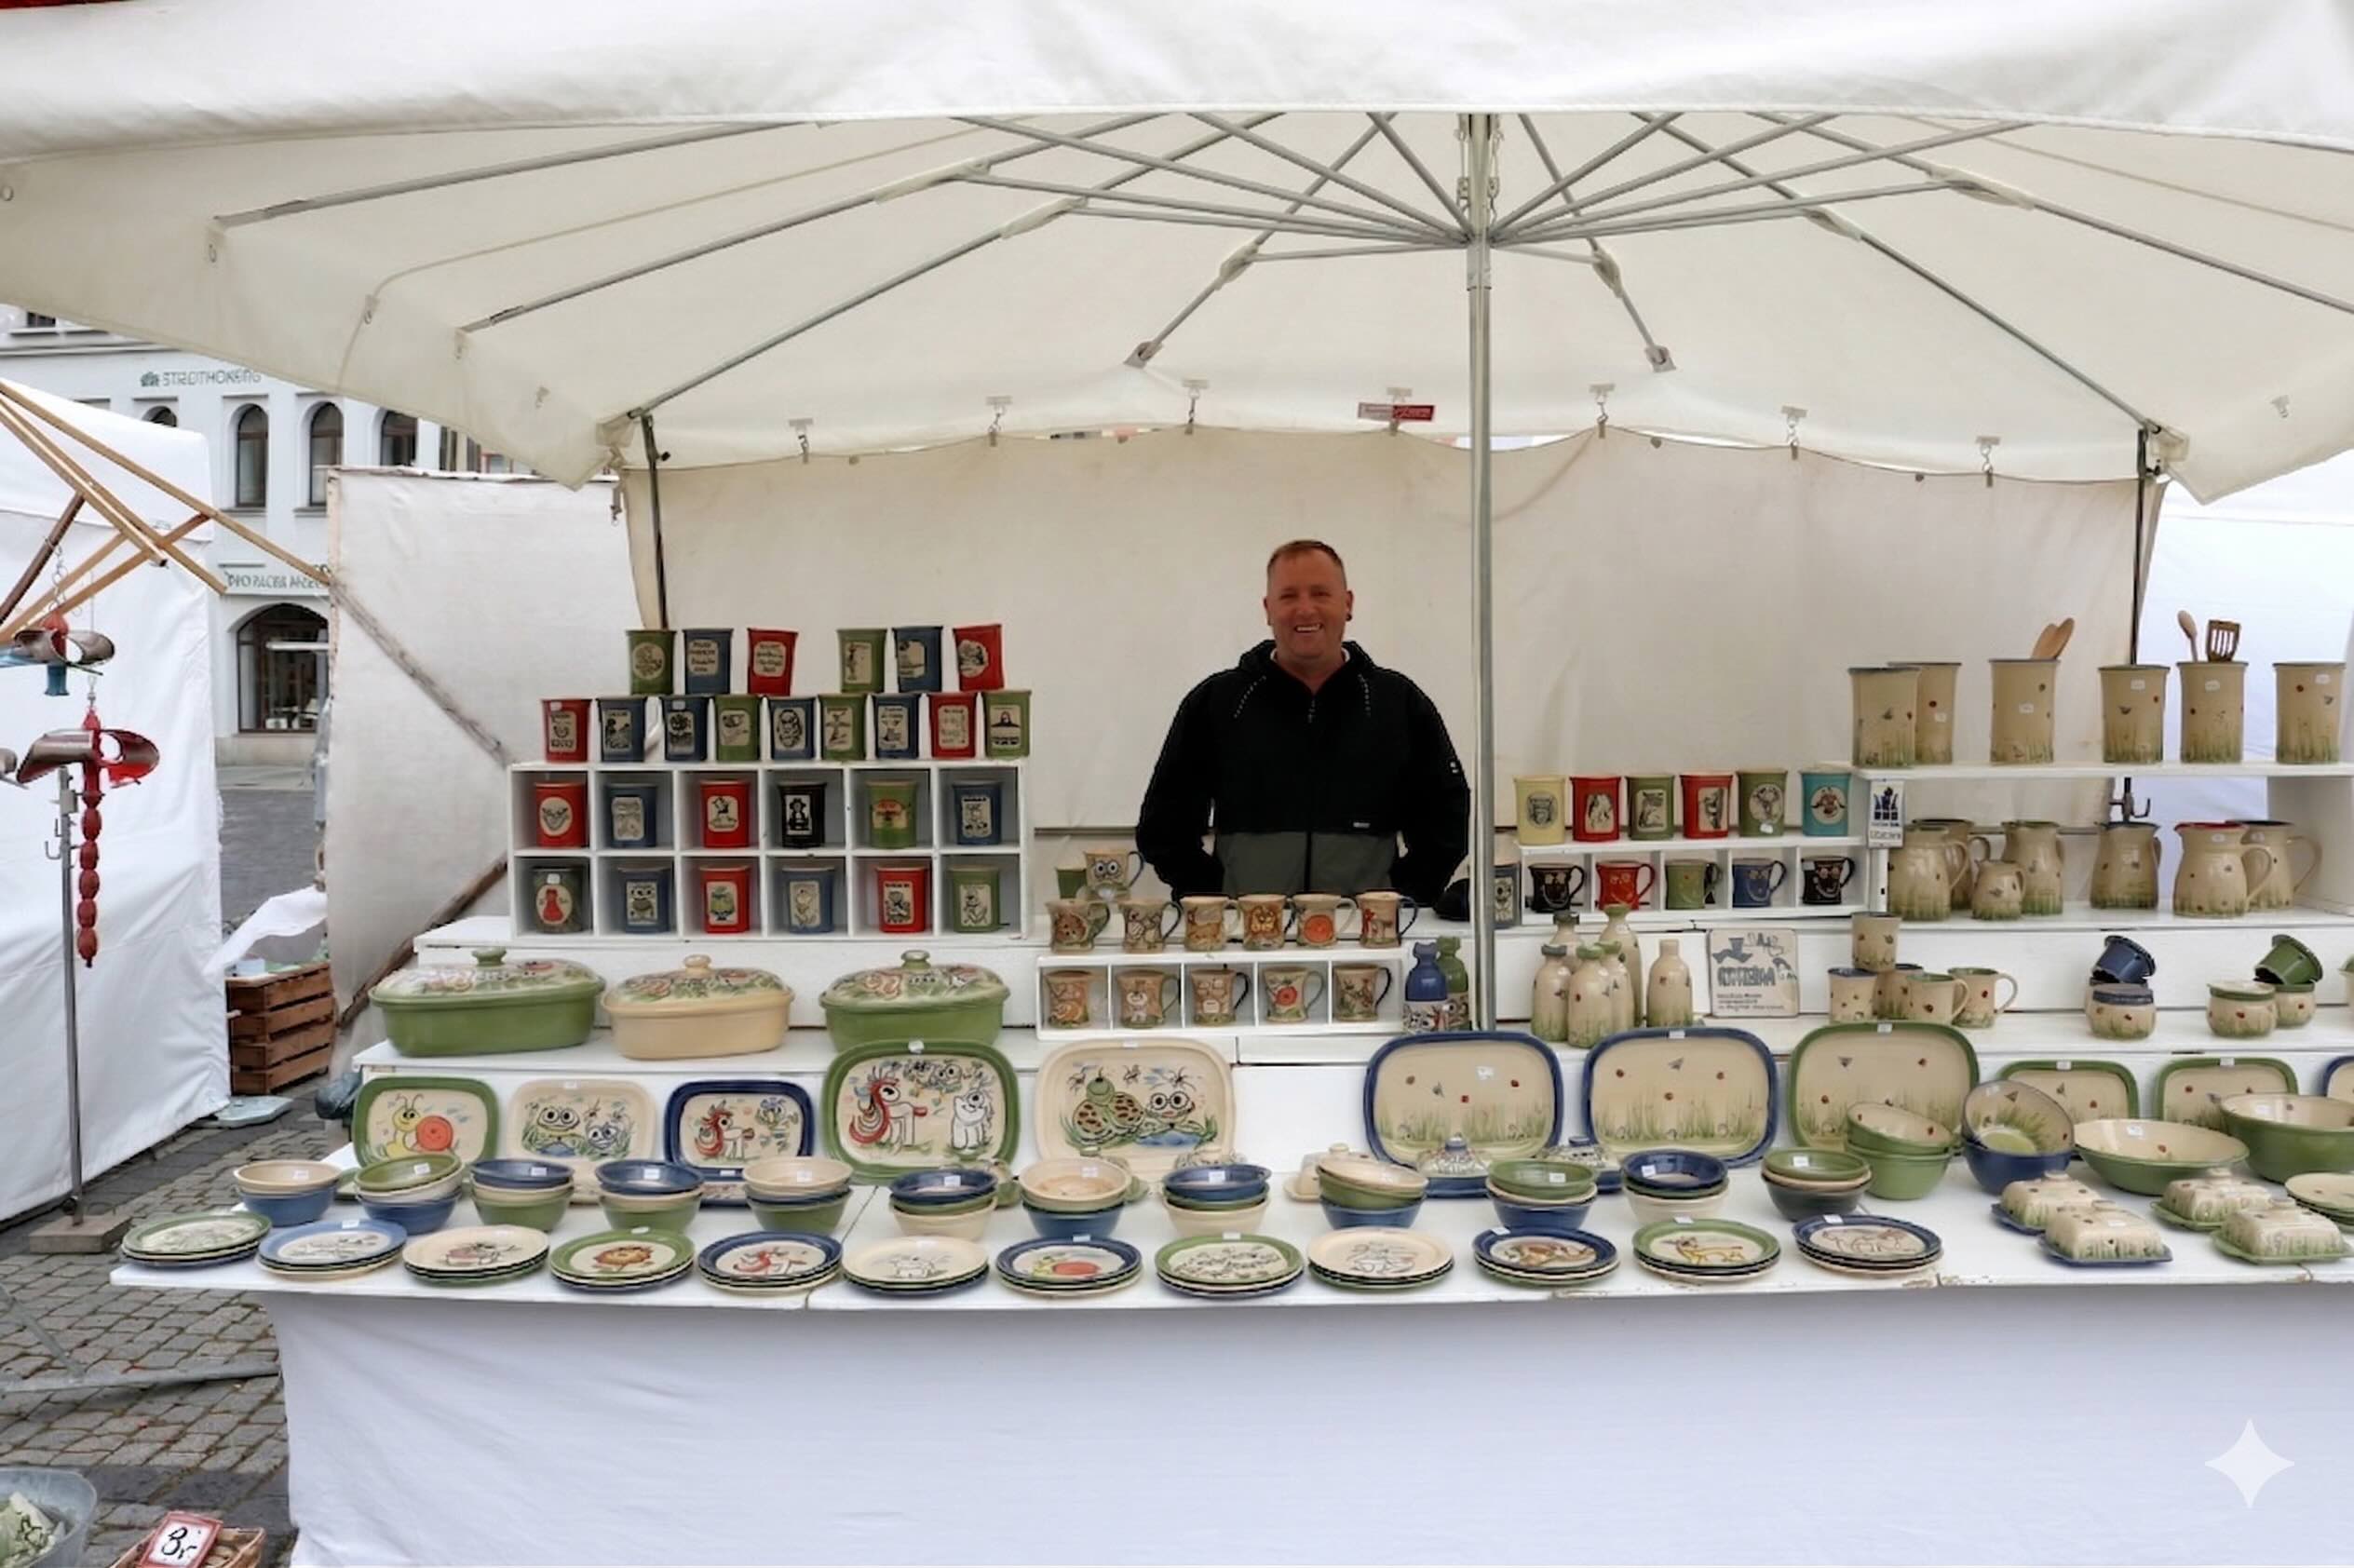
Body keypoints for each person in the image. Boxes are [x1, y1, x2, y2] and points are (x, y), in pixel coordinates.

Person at [1136, 539, 1469, 904]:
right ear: (1267, 609)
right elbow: (1164, 827)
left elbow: (1446, 820)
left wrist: (1401, 898)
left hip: (1369, 945)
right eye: (1289, 596)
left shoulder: (1397, 703)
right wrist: (1216, 898)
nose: (1305, 609)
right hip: (1245, 943)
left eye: (1321, 593)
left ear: (1348, 604)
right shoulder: (1219, 703)